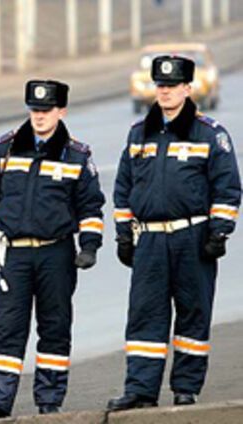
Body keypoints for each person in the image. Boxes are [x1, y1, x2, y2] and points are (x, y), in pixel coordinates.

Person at [108, 55, 241, 411]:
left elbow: (227, 188)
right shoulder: (139, 134)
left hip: (192, 238)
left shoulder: (210, 133)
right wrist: (124, 234)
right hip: (149, 238)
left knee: (192, 313)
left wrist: (219, 232)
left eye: (172, 85)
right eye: (160, 85)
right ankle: (140, 390)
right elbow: (123, 188)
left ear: (187, 88)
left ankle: (186, 388)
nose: (165, 92)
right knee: (144, 315)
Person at [0, 79, 105, 421]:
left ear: (61, 110)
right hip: (13, 254)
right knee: (6, 328)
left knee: (55, 327)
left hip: (56, 254)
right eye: (34, 110)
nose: (40, 116)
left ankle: (49, 403)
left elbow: (91, 207)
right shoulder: (6, 148)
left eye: (46, 110)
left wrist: (89, 246)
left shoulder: (77, 155)